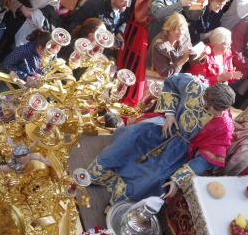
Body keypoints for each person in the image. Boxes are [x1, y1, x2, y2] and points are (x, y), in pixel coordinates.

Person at [88, 77, 237, 204]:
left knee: (154, 176)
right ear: (207, 97)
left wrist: (178, 180)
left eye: (218, 111)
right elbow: (172, 83)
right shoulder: (194, 86)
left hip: (179, 150)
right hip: (164, 127)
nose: (215, 112)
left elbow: (206, 158)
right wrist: (171, 114)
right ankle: (98, 173)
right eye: (212, 108)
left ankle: (120, 198)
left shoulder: (223, 126)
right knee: (131, 137)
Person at [146, 13, 196, 80]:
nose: (181, 32)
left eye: (183, 29)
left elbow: (190, 56)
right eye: (177, 29)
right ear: (169, 30)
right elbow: (165, 73)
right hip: (157, 77)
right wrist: (183, 60)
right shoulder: (160, 46)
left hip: (174, 73)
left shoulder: (185, 36)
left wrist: (199, 55)